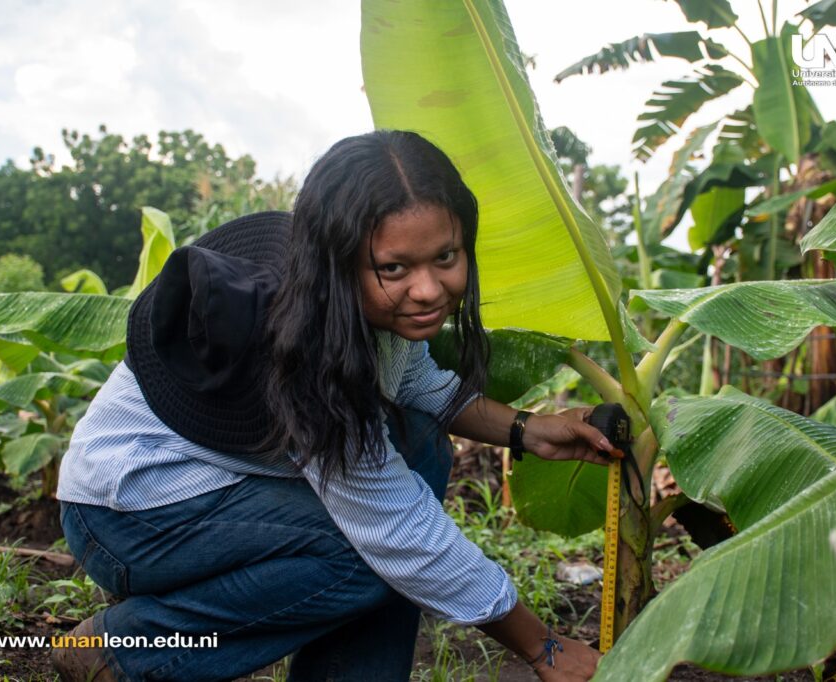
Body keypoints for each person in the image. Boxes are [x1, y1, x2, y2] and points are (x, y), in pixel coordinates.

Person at [53, 130, 619, 682]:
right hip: (127, 514)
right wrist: (543, 647)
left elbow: (417, 382)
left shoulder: (360, 309)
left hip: (211, 486)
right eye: (393, 268)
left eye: (445, 256)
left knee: (419, 443)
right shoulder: (301, 346)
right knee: (366, 562)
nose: (427, 290)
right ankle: (124, 652)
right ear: (340, 263)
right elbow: (398, 532)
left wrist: (530, 430)